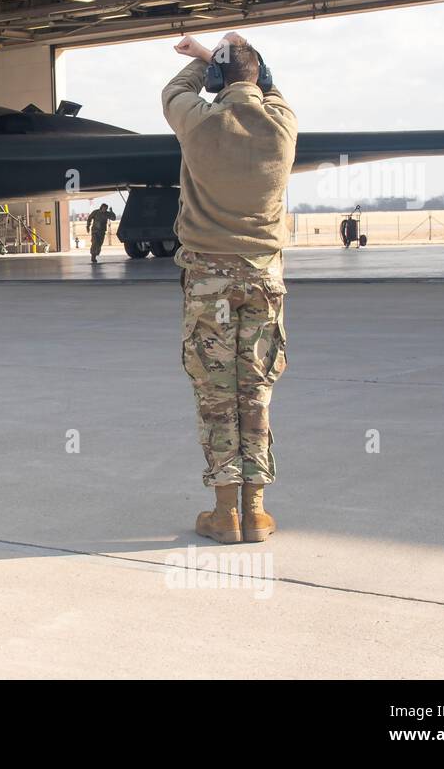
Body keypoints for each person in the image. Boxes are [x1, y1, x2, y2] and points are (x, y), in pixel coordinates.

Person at [162, 32, 298, 544]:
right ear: (259, 79)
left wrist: (202, 61)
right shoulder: (284, 125)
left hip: (209, 280)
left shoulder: (197, 121)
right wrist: (236, 63)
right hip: (264, 277)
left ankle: (224, 514)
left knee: (216, 395)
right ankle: (257, 511)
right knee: (256, 390)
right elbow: (270, 83)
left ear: (216, 82)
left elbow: (174, 90)